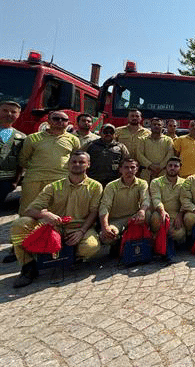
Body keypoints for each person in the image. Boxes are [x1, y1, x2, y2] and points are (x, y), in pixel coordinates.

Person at [11, 151, 103, 288]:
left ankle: (67, 255)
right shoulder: (54, 186)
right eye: (74, 161)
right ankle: (28, 266)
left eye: (81, 162)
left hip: (79, 228)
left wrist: (82, 231)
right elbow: (29, 210)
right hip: (55, 228)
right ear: (68, 164)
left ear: (88, 164)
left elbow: (94, 212)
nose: (77, 164)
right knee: (20, 224)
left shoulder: (96, 186)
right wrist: (45, 214)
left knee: (91, 247)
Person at [19, 110, 80, 215]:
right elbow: (23, 159)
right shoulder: (33, 138)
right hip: (34, 180)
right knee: (29, 210)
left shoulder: (73, 140)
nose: (60, 121)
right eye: (56, 119)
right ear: (48, 121)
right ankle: (25, 231)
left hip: (60, 180)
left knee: (57, 211)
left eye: (64, 119)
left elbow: (75, 160)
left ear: (68, 123)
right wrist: (36, 169)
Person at [98, 158, 150, 246]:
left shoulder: (142, 183)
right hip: (117, 221)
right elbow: (105, 207)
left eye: (132, 167)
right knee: (106, 237)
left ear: (137, 169)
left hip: (134, 218)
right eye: (126, 167)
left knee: (148, 214)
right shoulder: (111, 186)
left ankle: (147, 242)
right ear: (120, 169)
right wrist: (105, 227)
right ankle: (118, 243)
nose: (129, 170)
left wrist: (142, 211)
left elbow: (145, 199)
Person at [149, 157, 186, 245]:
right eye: (170, 165)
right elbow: (156, 199)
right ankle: (156, 238)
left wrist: (180, 215)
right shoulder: (156, 182)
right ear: (166, 167)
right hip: (161, 214)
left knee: (179, 234)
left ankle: (167, 242)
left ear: (180, 168)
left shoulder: (185, 183)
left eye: (175, 166)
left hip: (176, 216)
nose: (172, 168)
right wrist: (162, 211)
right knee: (155, 217)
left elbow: (186, 201)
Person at [0, 100, 25, 207]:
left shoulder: (22, 138)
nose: (9, 114)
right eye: (5, 110)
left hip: (5, 181)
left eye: (13, 112)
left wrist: (16, 181)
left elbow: (21, 161)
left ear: (18, 115)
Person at [136, 118, 174, 182]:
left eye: (159, 125)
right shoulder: (143, 140)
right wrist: (150, 165)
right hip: (146, 172)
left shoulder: (168, 140)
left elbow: (170, 155)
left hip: (162, 173)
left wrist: (160, 167)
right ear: (150, 126)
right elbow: (139, 155)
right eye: (154, 124)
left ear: (163, 127)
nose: (156, 126)